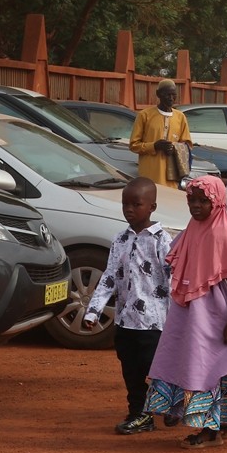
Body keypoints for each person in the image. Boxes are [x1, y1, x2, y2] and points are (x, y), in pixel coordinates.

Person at [144, 176, 227, 448]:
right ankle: (221, 421)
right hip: (188, 311)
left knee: (211, 367)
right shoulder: (193, 228)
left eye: (203, 201)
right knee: (193, 362)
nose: (196, 206)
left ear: (217, 201)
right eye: (191, 200)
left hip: (213, 312)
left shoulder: (224, 232)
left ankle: (210, 430)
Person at [82, 177, 173, 435]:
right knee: (131, 370)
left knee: (154, 368)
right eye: (125, 204)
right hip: (125, 322)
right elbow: (109, 277)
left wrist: (179, 317)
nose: (129, 209)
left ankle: (168, 404)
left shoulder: (161, 241)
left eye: (137, 204)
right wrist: (93, 311)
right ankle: (139, 414)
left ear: (152, 207)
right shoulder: (120, 240)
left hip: (154, 325)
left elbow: (172, 280)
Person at [129, 79, 192, 188]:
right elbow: (133, 145)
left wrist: (175, 148)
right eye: (167, 95)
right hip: (150, 176)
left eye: (174, 95)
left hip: (172, 178)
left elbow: (187, 145)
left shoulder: (180, 117)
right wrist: (154, 146)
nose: (171, 98)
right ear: (158, 94)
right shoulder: (145, 115)